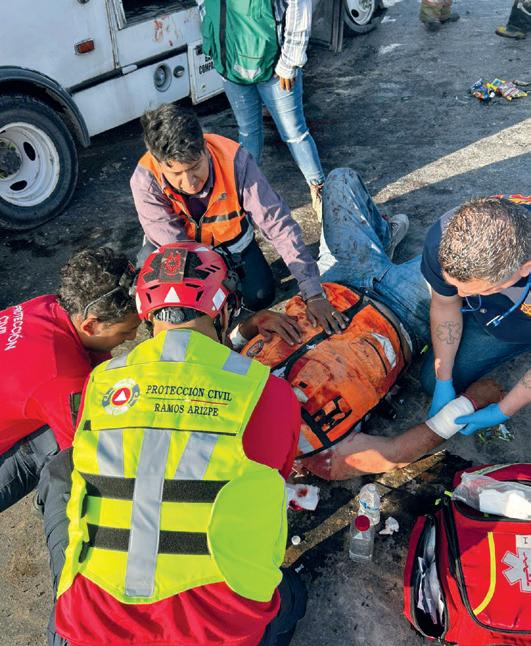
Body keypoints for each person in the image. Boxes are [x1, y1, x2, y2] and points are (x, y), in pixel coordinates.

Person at [40, 242, 307, 646]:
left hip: (92, 623)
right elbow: (277, 475)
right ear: (225, 309)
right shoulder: (268, 393)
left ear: (145, 312)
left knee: (64, 468)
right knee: (290, 596)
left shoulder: (102, 382)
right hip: (212, 630)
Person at [131, 104, 343, 332]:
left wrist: (314, 293)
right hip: (179, 255)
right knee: (174, 309)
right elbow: (179, 251)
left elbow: (278, 224)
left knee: (260, 297)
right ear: (158, 163)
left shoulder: (235, 161)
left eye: (195, 167)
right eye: (176, 174)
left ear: (205, 148)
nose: (190, 182)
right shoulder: (145, 180)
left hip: (232, 247)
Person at [0, 248, 139, 512]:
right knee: (72, 455)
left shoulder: (48, 305)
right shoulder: (61, 376)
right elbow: (85, 456)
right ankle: (49, 503)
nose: (133, 337)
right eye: (127, 331)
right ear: (90, 325)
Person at [197, 0, 325, 216]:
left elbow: (299, 6)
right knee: (248, 132)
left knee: (294, 134)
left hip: (274, 66)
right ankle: (242, 195)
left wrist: (289, 62)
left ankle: (319, 189)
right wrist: (214, 39)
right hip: (231, 63)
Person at [420, 195, 531, 435]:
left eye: (485, 289)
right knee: (431, 380)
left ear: (525, 267)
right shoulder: (443, 238)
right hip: (497, 318)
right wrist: (443, 380)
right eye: (456, 285)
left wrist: (503, 410)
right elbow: (446, 304)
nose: (460, 295)